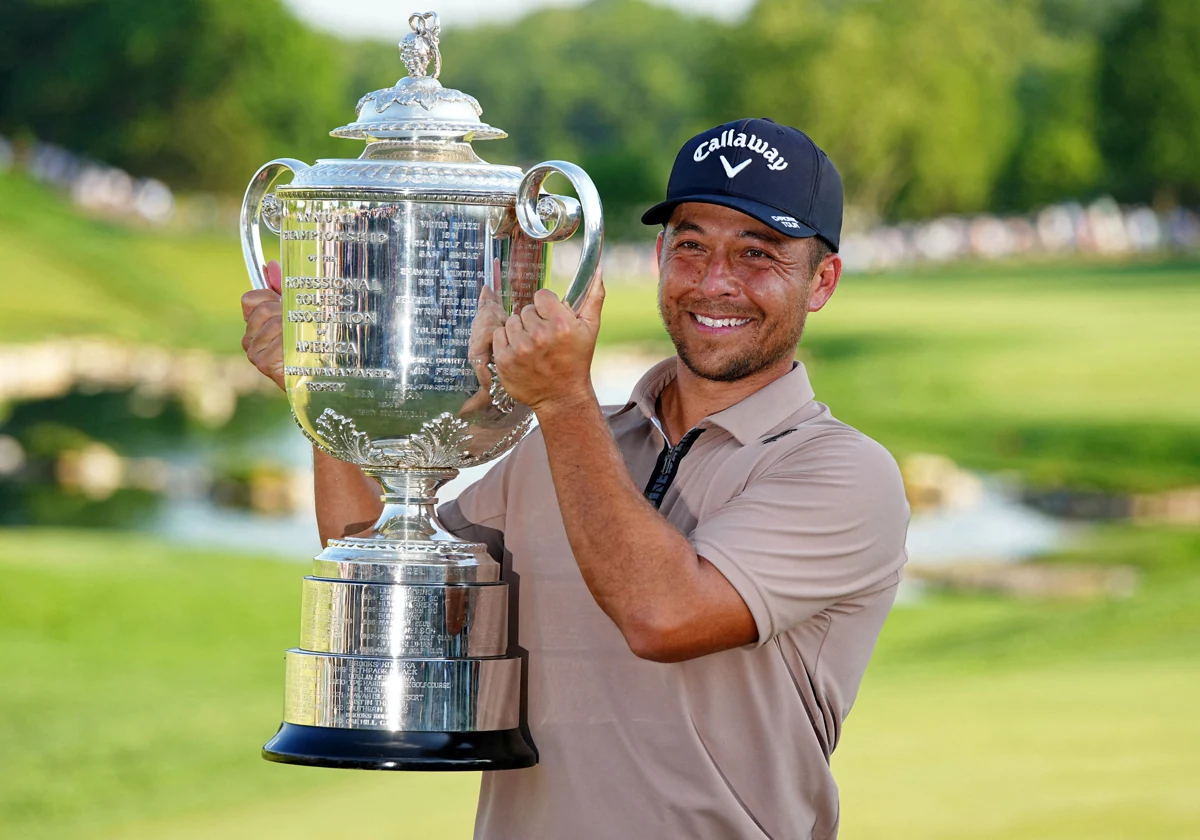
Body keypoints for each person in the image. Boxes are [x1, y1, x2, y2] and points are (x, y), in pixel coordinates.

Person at [241, 118, 909, 840]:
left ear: (822, 281)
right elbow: (385, 577)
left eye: (759, 254)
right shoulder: (568, 446)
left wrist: (562, 399)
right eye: (692, 245)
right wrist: (320, 387)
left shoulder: (842, 472)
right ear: (660, 256)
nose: (717, 282)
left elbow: (663, 615)